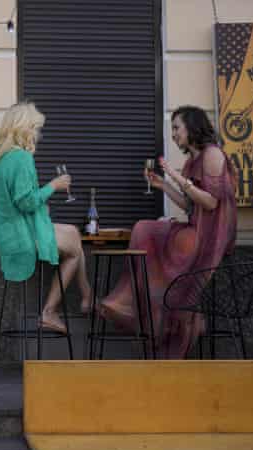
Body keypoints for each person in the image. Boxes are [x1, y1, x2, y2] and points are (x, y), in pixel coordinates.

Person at [99, 105, 238, 358]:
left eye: (176, 128)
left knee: (154, 234)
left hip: (209, 239)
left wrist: (174, 175)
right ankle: (138, 306)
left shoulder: (212, 154)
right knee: (144, 228)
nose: (173, 134)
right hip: (195, 229)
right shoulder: (191, 162)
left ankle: (145, 309)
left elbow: (211, 203)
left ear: (192, 127)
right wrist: (163, 185)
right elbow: (189, 205)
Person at [0, 102, 92, 333]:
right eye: (34, 127)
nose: (37, 134)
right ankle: (50, 311)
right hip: (24, 236)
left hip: (9, 235)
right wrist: (53, 186)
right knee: (74, 250)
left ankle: (87, 297)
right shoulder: (21, 158)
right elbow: (26, 202)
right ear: (23, 128)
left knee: (74, 233)